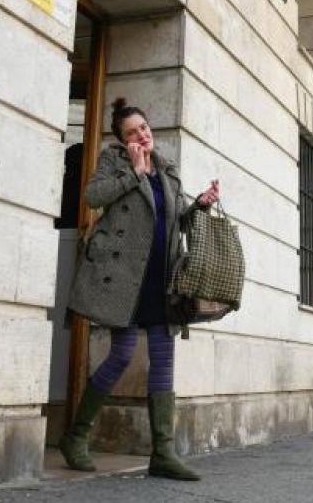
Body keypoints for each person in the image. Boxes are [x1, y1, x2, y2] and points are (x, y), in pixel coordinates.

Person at [60, 98, 220, 480]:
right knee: (122, 354)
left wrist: (199, 204)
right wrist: (133, 172)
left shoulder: (165, 167)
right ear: (121, 138)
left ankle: (163, 454)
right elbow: (92, 198)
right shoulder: (114, 163)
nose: (141, 135)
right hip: (125, 278)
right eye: (132, 132)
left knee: (163, 360)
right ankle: (76, 437)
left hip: (160, 278)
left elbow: (177, 218)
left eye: (144, 129)